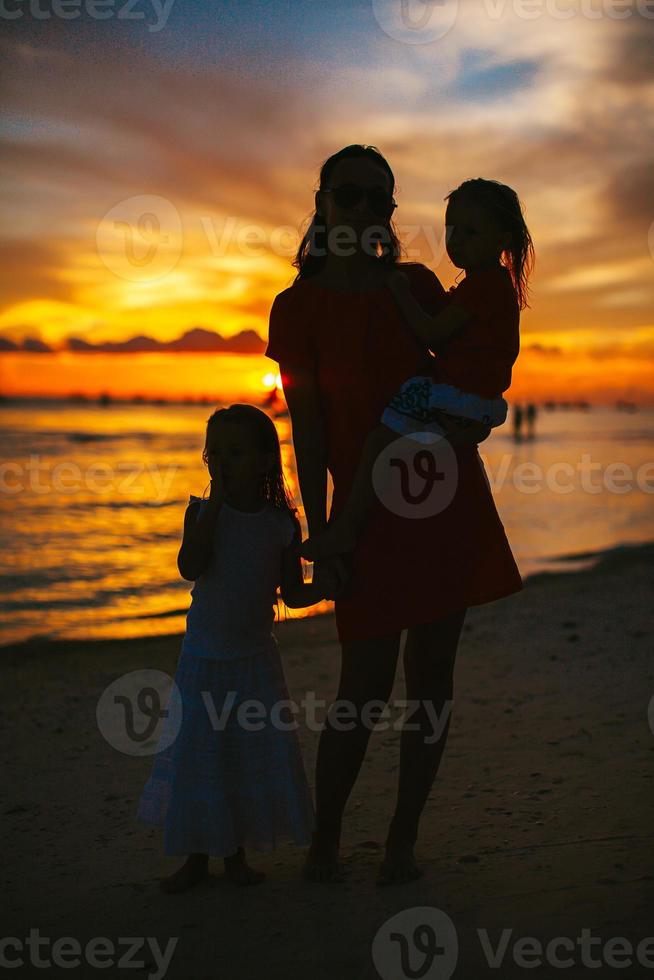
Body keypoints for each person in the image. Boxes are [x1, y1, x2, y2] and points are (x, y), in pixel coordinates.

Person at [265, 144, 524, 885]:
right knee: (362, 688)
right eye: (349, 195)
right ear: (322, 204)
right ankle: (325, 841)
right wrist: (321, 534)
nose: (364, 211)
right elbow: (308, 429)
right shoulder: (298, 307)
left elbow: (473, 357)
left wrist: (484, 416)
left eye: (380, 200)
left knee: (432, 678)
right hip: (365, 516)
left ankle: (402, 842)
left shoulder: (414, 284)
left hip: (445, 500)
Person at [136, 404, 337, 893]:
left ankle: (237, 856)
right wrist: (217, 507)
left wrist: (332, 586)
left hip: (254, 661)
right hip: (203, 658)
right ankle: (196, 858)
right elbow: (191, 565)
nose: (222, 462)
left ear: (267, 460)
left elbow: (292, 594)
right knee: (200, 755)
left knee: (243, 754)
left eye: (236, 452)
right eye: (215, 452)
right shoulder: (201, 512)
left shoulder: (279, 524)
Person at [300, 177, 533, 559]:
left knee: (379, 441)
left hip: (460, 396)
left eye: (471, 231)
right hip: (476, 400)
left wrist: (402, 292)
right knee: (409, 440)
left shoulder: (480, 286)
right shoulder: (489, 286)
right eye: (452, 230)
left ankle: (346, 529)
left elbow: (431, 333)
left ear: (502, 239)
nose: (456, 240)